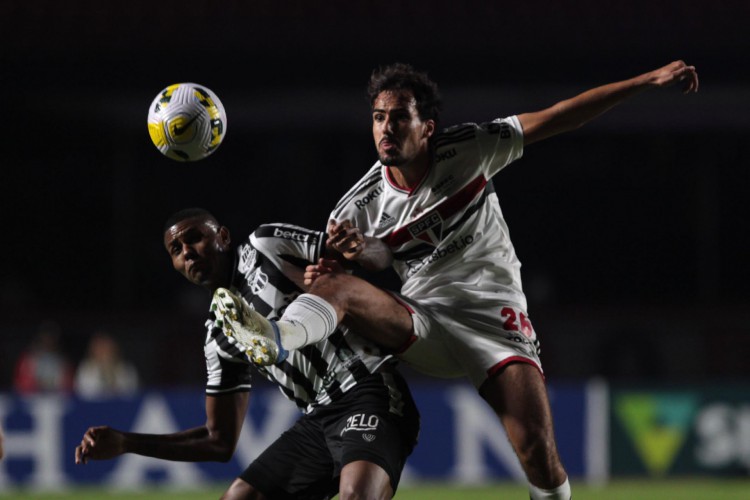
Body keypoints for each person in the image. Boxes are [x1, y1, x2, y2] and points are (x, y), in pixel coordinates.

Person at [213, 60, 699, 499]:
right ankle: (276, 339)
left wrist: (646, 81)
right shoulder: (354, 207)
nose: (387, 128)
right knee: (332, 289)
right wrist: (329, 268)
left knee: (536, 451)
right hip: (421, 320)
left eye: (399, 117)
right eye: (379, 117)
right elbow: (360, 264)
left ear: (427, 127)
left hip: (492, 314)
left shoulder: (471, 148)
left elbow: (562, 114)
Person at [75, 208, 420, 500]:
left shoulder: (265, 244)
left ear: (223, 237)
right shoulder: (217, 334)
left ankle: (279, 335)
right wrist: (125, 442)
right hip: (319, 419)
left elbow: (352, 257)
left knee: (355, 495)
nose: (187, 252)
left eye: (194, 237)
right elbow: (219, 440)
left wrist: (353, 252)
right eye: (175, 249)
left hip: (368, 389)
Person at [13, 320, 74, 394]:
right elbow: (20, 383)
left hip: (56, 398)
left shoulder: (62, 361)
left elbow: (68, 386)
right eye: (46, 336)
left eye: (52, 337)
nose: (48, 340)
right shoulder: (29, 358)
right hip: (32, 398)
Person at [74, 331, 140, 399]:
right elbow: (85, 394)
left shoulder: (127, 369)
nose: (103, 351)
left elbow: (131, 394)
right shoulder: (85, 369)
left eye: (106, 347)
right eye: (99, 347)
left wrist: (111, 374)